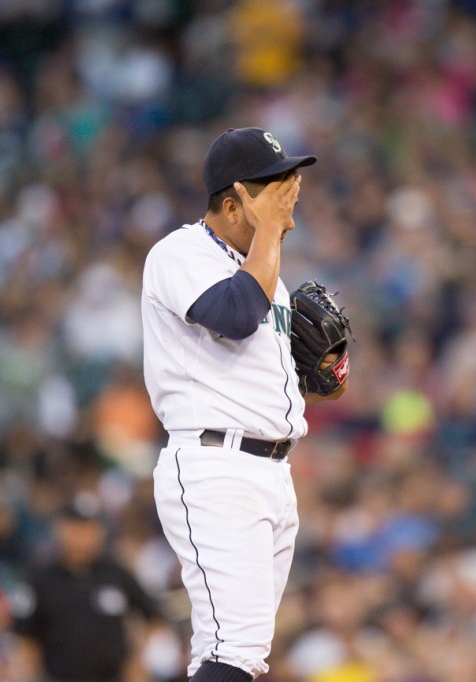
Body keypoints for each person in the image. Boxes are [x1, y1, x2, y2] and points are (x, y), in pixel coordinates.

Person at [141, 127, 347, 681]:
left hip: (271, 472)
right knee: (237, 650)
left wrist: (321, 375)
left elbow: (272, 373)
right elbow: (234, 315)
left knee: (233, 652)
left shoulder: (268, 276)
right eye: (275, 185)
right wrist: (272, 233)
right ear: (233, 201)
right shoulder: (179, 252)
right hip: (216, 468)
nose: (290, 191)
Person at [12, 500, 163, 682]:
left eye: (90, 527)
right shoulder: (41, 579)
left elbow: (154, 616)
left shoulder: (115, 574)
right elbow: (25, 636)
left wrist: (138, 659)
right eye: (77, 527)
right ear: (60, 529)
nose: (84, 535)